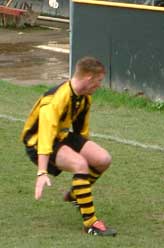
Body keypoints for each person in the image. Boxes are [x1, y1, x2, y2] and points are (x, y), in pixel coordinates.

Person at [21, 56, 117, 236]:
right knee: (80, 164)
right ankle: (91, 224)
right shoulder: (57, 98)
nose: (100, 85)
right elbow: (45, 136)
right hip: (37, 142)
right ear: (88, 78)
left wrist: (86, 152)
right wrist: (42, 172)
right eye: (99, 81)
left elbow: (81, 133)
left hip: (61, 136)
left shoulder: (84, 98)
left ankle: (75, 194)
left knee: (103, 159)